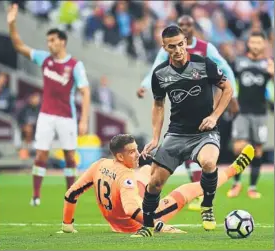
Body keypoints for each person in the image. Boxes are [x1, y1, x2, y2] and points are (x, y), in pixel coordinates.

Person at [131, 25, 234, 237]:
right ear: (164, 47)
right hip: (176, 134)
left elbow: (228, 88)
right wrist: (155, 138)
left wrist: (214, 116)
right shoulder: (159, 73)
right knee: (154, 183)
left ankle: (207, 205)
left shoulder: (203, 64)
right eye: (172, 46)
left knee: (209, 162)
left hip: (205, 132)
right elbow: (158, 105)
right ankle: (148, 226)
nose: (178, 50)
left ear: (185, 41)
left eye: (180, 44)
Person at [59, 134, 254, 234]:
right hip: (133, 224)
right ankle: (234, 169)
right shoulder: (125, 177)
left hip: (115, 219)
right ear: (120, 155)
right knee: (189, 189)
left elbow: (71, 194)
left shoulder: (100, 164)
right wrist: (157, 225)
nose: (137, 153)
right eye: (132, 152)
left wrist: (67, 225)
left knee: (145, 171)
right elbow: (130, 210)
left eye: (137, 149)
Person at [7, 4, 90, 206]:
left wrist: (84, 120)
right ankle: (36, 196)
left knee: (70, 157)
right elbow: (19, 46)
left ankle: (71, 195)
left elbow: (85, 91)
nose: (49, 44)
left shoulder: (75, 65)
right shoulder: (44, 59)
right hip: (46, 115)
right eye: (48, 41)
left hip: (66, 117)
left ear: (62, 42)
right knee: (41, 155)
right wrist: (12, 24)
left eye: (52, 40)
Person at [227, 31, 274, 199]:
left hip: (260, 112)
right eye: (252, 42)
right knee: (239, 147)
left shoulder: (269, 64)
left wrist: (273, 74)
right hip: (242, 111)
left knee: (258, 150)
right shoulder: (239, 62)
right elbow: (227, 81)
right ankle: (236, 183)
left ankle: (252, 187)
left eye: (258, 43)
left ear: (264, 45)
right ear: (248, 44)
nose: (255, 45)